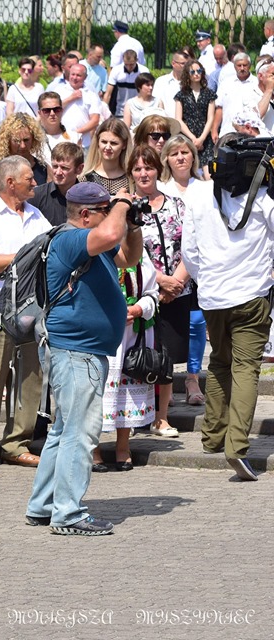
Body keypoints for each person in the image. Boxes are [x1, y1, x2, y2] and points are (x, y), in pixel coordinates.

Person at [25, 181, 143, 535]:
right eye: (106, 210)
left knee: (64, 430)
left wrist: (133, 224)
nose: (112, 215)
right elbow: (109, 234)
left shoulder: (93, 242)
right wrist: (122, 203)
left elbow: (129, 258)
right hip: (77, 352)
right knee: (80, 433)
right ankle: (68, 514)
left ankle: (44, 505)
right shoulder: (71, 239)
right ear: (87, 214)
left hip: (81, 351)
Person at [182, 133, 274, 481]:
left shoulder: (197, 194)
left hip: (212, 297)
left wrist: (206, 281)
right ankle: (236, 447)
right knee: (246, 369)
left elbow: (189, 252)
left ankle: (212, 437)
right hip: (251, 296)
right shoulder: (264, 198)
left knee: (220, 362)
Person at [0, 156, 51, 471]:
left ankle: (16, 443)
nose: (35, 183)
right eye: (29, 178)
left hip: (31, 311)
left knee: (30, 379)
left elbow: (51, 250)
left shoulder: (36, 215)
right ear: (11, 182)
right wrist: (26, 255)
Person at [129, 145, 190, 438]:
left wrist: (176, 282)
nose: (144, 174)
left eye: (149, 168)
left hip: (177, 291)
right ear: (131, 173)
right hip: (143, 292)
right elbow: (127, 255)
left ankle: (161, 418)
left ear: (158, 170)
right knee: (141, 354)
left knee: (165, 358)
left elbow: (191, 246)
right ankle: (137, 414)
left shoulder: (177, 205)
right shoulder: (127, 208)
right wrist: (160, 281)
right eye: (138, 169)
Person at [93, 247, 158, 472]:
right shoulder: (93, 248)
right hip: (99, 330)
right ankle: (93, 448)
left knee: (127, 387)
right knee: (95, 388)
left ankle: (123, 446)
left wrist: (138, 309)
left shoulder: (139, 252)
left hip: (133, 335)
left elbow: (152, 292)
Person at [159, 135, 208, 405]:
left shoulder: (205, 188)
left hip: (199, 264)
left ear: (193, 156)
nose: (180, 157)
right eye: (174, 153)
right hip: (167, 267)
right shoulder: (161, 187)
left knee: (197, 322)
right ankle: (163, 381)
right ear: (166, 158)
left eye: (185, 152)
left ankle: (192, 378)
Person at [0, 114, 50, 200]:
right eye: (16, 141)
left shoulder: (44, 168)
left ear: (34, 139)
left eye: (26, 140)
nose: (22, 146)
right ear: (8, 141)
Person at [174, 59, 217, 171]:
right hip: (187, 137)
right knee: (187, 170)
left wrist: (201, 139)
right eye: (193, 72)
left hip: (205, 138)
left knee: (208, 173)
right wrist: (193, 138)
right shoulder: (181, 95)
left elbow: (210, 118)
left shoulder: (209, 93)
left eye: (199, 71)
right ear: (187, 74)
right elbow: (178, 119)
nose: (196, 74)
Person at [29, 142, 84, 225]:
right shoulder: (36, 196)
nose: (58, 172)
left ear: (79, 169)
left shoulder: (88, 198)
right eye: (55, 166)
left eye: (64, 168)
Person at [81, 117, 132, 195]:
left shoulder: (131, 180)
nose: (108, 147)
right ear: (98, 142)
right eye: (104, 142)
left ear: (124, 145)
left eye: (113, 143)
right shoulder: (85, 178)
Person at [58, 63, 102, 148]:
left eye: (78, 75)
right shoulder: (59, 91)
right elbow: (53, 109)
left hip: (83, 142)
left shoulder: (91, 95)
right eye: (73, 74)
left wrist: (76, 133)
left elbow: (95, 120)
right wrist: (71, 98)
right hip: (61, 140)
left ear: (85, 77)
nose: (75, 78)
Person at [104, 50, 148, 119]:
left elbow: (147, 92)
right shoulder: (116, 71)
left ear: (136, 60)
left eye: (131, 64)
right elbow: (108, 93)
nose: (128, 67)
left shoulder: (143, 71)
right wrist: (104, 111)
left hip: (139, 111)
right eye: (126, 64)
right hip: (119, 111)